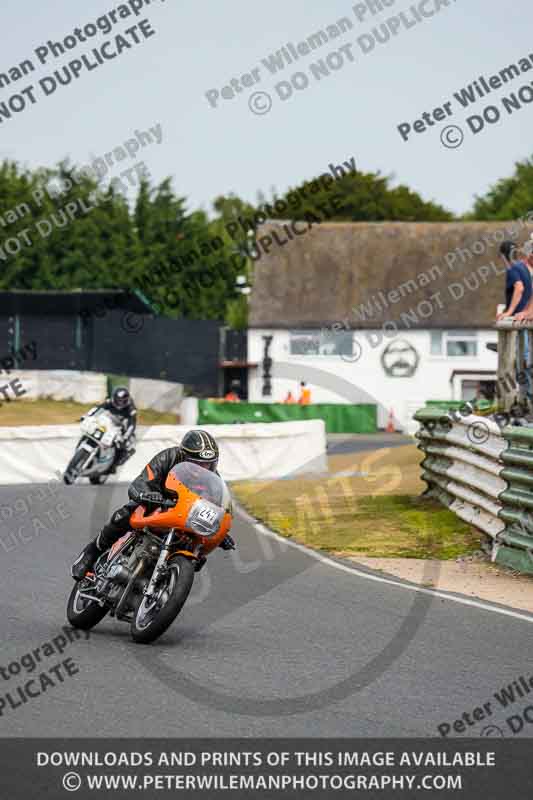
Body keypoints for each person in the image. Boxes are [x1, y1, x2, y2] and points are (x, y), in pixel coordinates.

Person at [71, 429, 236, 580]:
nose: (203, 468)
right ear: (184, 456)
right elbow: (141, 482)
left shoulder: (213, 480)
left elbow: (216, 507)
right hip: (158, 503)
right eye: (198, 463)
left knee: (198, 554)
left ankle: (163, 584)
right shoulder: (167, 458)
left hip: (185, 515)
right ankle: (91, 552)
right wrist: (146, 494)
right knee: (128, 512)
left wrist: (220, 532)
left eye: (208, 464)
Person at [497, 240, 533, 402]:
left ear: (502, 256)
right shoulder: (525, 267)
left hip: (520, 321)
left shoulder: (513, 268)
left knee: (522, 361)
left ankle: (526, 397)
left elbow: (519, 288)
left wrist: (509, 312)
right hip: (526, 318)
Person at [83, 386, 137, 470]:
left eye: (122, 401)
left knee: (125, 445)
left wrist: (125, 437)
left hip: (121, 427)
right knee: (92, 428)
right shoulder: (109, 401)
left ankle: (114, 465)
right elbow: (97, 408)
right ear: (114, 398)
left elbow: (132, 425)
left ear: (127, 400)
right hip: (108, 421)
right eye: (118, 400)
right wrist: (87, 415)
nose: (119, 404)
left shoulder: (131, 409)